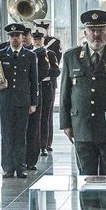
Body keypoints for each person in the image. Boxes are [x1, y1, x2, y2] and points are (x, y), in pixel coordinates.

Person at [60, 9, 106, 178]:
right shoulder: (71, 57)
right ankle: (89, 198)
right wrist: (66, 124)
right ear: (85, 33)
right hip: (82, 127)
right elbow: (65, 93)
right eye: (92, 30)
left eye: (101, 30)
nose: (96, 35)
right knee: (86, 177)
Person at [0, 23, 38, 178]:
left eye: (17, 36)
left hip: (23, 100)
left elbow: (34, 81)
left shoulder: (30, 55)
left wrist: (34, 102)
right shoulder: (0, 54)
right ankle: (8, 167)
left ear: (22, 37)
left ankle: (21, 167)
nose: (15, 38)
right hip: (6, 99)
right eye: (12, 36)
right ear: (8, 38)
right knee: (7, 134)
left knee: (21, 135)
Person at [22, 26, 49, 170]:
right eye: (20, 36)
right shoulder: (8, 51)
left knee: (33, 128)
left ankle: (31, 160)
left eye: (26, 36)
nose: (23, 38)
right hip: (17, 95)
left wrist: (28, 78)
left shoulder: (39, 52)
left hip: (33, 92)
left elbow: (44, 70)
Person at [33, 27, 59, 157]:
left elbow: (56, 71)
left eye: (39, 39)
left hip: (46, 86)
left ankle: (44, 145)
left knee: (45, 116)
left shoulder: (50, 54)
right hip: (34, 86)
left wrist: (45, 71)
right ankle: (34, 143)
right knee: (34, 117)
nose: (37, 41)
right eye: (35, 39)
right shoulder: (29, 53)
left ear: (43, 40)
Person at [38, 19, 61, 153]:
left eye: (44, 28)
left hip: (49, 82)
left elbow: (56, 62)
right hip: (35, 83)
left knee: (47, 114)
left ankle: (46, 142)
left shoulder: (54, 43)